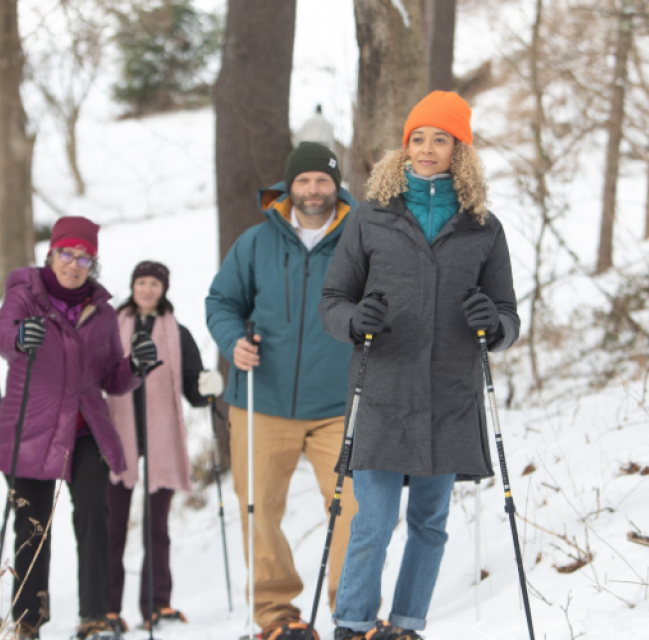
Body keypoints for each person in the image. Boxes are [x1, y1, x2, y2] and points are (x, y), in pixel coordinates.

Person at [319, 91, 519, 640]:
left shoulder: (483, 227)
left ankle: (406, 627)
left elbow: (508, 315)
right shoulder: (372, 218)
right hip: (382, 391)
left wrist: (493, 324)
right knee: (374, 520)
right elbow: (333, 300)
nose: (427, 148)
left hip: (450, 394)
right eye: (418, 137)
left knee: (430, 523)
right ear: (405, 146)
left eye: (440, 139)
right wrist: (354, 320)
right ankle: (353, 625)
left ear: (460, 150)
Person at [205, 142, 360, 639]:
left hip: (339, 404)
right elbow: (221, 302)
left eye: (322, 180)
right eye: (304, 180)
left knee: (354, 510)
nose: (313, 190)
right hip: (262, 402)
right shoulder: (255, 243)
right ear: (289, 186)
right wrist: (233, 342)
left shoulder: (362, 238)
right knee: (259, 511)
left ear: (336, 185)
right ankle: (277, 617)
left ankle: (352, 614)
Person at [0, 216, 157, 640]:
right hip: (33, 425)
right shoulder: (24, 293)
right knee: (32, 525)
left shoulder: (102, 313)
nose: (74, 264)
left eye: (85, 258)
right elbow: (4, 335)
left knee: (93, 514)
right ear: (51, 253)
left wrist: (135, 367)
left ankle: (95, 617)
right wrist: (20, 337)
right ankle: (28, 621)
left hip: (84, 428)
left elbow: (112, 378)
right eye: (67, 253)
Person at [105, 260, 224, 631]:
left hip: (162, 437)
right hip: (117, 433)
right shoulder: (110, 328)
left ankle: (157, 604)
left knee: (156, 527)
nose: (147, 289)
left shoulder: (178, 333)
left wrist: (206, 389)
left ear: (163, 289)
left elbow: (193, 388)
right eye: (141, 282)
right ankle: (107, 607)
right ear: (132, 285)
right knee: (113, 526)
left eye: (154, 284)